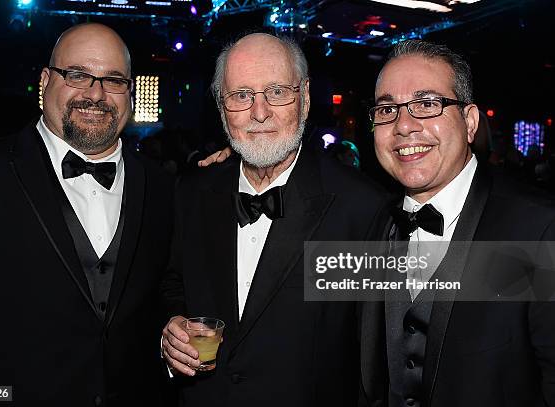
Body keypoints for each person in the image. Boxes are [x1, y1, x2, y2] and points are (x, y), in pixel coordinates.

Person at [0, 23, 173, 406]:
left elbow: (169, 292)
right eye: (78, 75)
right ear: (46, 81)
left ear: (130, 94)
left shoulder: (164, 189)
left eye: (113, 80)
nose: (95, 94)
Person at [160, 33, 389, 407]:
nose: (259, 112)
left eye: (277, 91)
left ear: (306, 97)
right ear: (221, 106)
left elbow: (377, 361)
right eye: (241, 95)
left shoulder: (361, 208)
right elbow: (172, 282)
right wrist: (172, 328)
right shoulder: (192, 193)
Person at [359, 39, 555, 407]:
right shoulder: (370, 222)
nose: (404, 125)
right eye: (387, 109)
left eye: (427, 104)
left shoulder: (540, 228)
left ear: (469, 122)